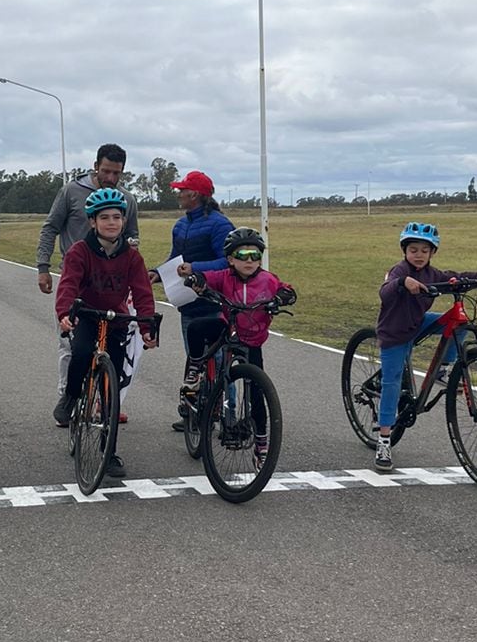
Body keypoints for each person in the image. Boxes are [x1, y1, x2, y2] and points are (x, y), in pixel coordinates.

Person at [373, 221, 477, 474]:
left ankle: (446, 368)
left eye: (424, 251)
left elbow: (460, 277)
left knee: (459, 323)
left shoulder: (433, 275)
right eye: (413, 250)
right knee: (392, 382)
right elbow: (385, 290)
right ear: (404, 251)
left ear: (432, 253)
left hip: (417, 323)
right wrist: (402, 283)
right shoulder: (398, 271)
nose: (418, 255)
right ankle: (384, 439)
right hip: (395, 332)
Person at [54, 187, 157, 478]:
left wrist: (148, 327)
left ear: (123, 221)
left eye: (116, 217)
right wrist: (64, 313)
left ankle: (108, 451)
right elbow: (68, 285)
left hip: (116, 319)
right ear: (92, 222)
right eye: (104, 218)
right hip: (87, 314)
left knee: (112, 387)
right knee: (82, 353)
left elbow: (142, 293)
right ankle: (72, 397)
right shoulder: (79, 252)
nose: (111, 223)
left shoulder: (132, 257)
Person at [37, 144, 139, 419]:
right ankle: (67, 399)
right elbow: (51, 227)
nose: (110, 177)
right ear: (96, 166)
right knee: (73, 347)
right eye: (105, 171)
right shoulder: (71, 191)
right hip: (77, 280)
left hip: (111, 283)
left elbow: (132, 238)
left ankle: (106, 402)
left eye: (116, 173)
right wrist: (43, 267)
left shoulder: (127, 199)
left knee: (114, 347)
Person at [180, 227, 296, 467]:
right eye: (242, 255)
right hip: (227, 329)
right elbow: (205, 278)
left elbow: (288, 290)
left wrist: (281, 299)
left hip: (253, 341)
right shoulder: (224, 276)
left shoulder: (267, 279)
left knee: (257, 394)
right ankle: (195, 369)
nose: (250, 260)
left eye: (255, 255)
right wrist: (196, 281)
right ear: (231, 259)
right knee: (196, 328)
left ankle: (262, 446)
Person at [151, 171, 234, 432]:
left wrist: (195, 267)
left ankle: (229, 416)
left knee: (220, 363)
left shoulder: (220, 225)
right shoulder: (180, 225)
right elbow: (176, 257)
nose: (178, 194)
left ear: (194, 195)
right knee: (194, 360)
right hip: (189, 303)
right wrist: (158, 272)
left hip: (214, 303)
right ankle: (194, 411)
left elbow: (228, 261)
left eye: (182, 190)